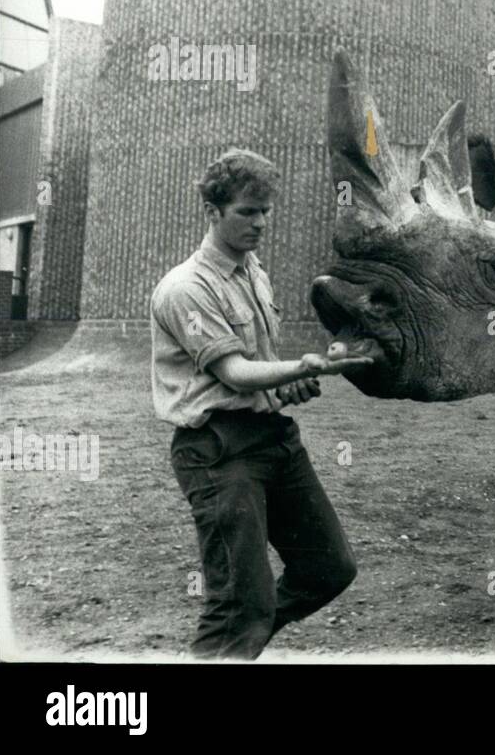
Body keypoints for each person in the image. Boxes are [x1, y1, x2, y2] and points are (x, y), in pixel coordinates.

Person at [150, 148, 372, 659]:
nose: (261, 223)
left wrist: (286, 386)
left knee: (327, 568)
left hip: (273, 438)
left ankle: (241, 640)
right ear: (212, 212)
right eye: (247, 212)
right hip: (218, 452)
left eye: (266, 210)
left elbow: (258, 370)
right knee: (237, 604)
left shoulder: (253, 272)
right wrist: (303, 367)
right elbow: (233, 373)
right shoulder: (186, 288)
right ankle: (235, 637)